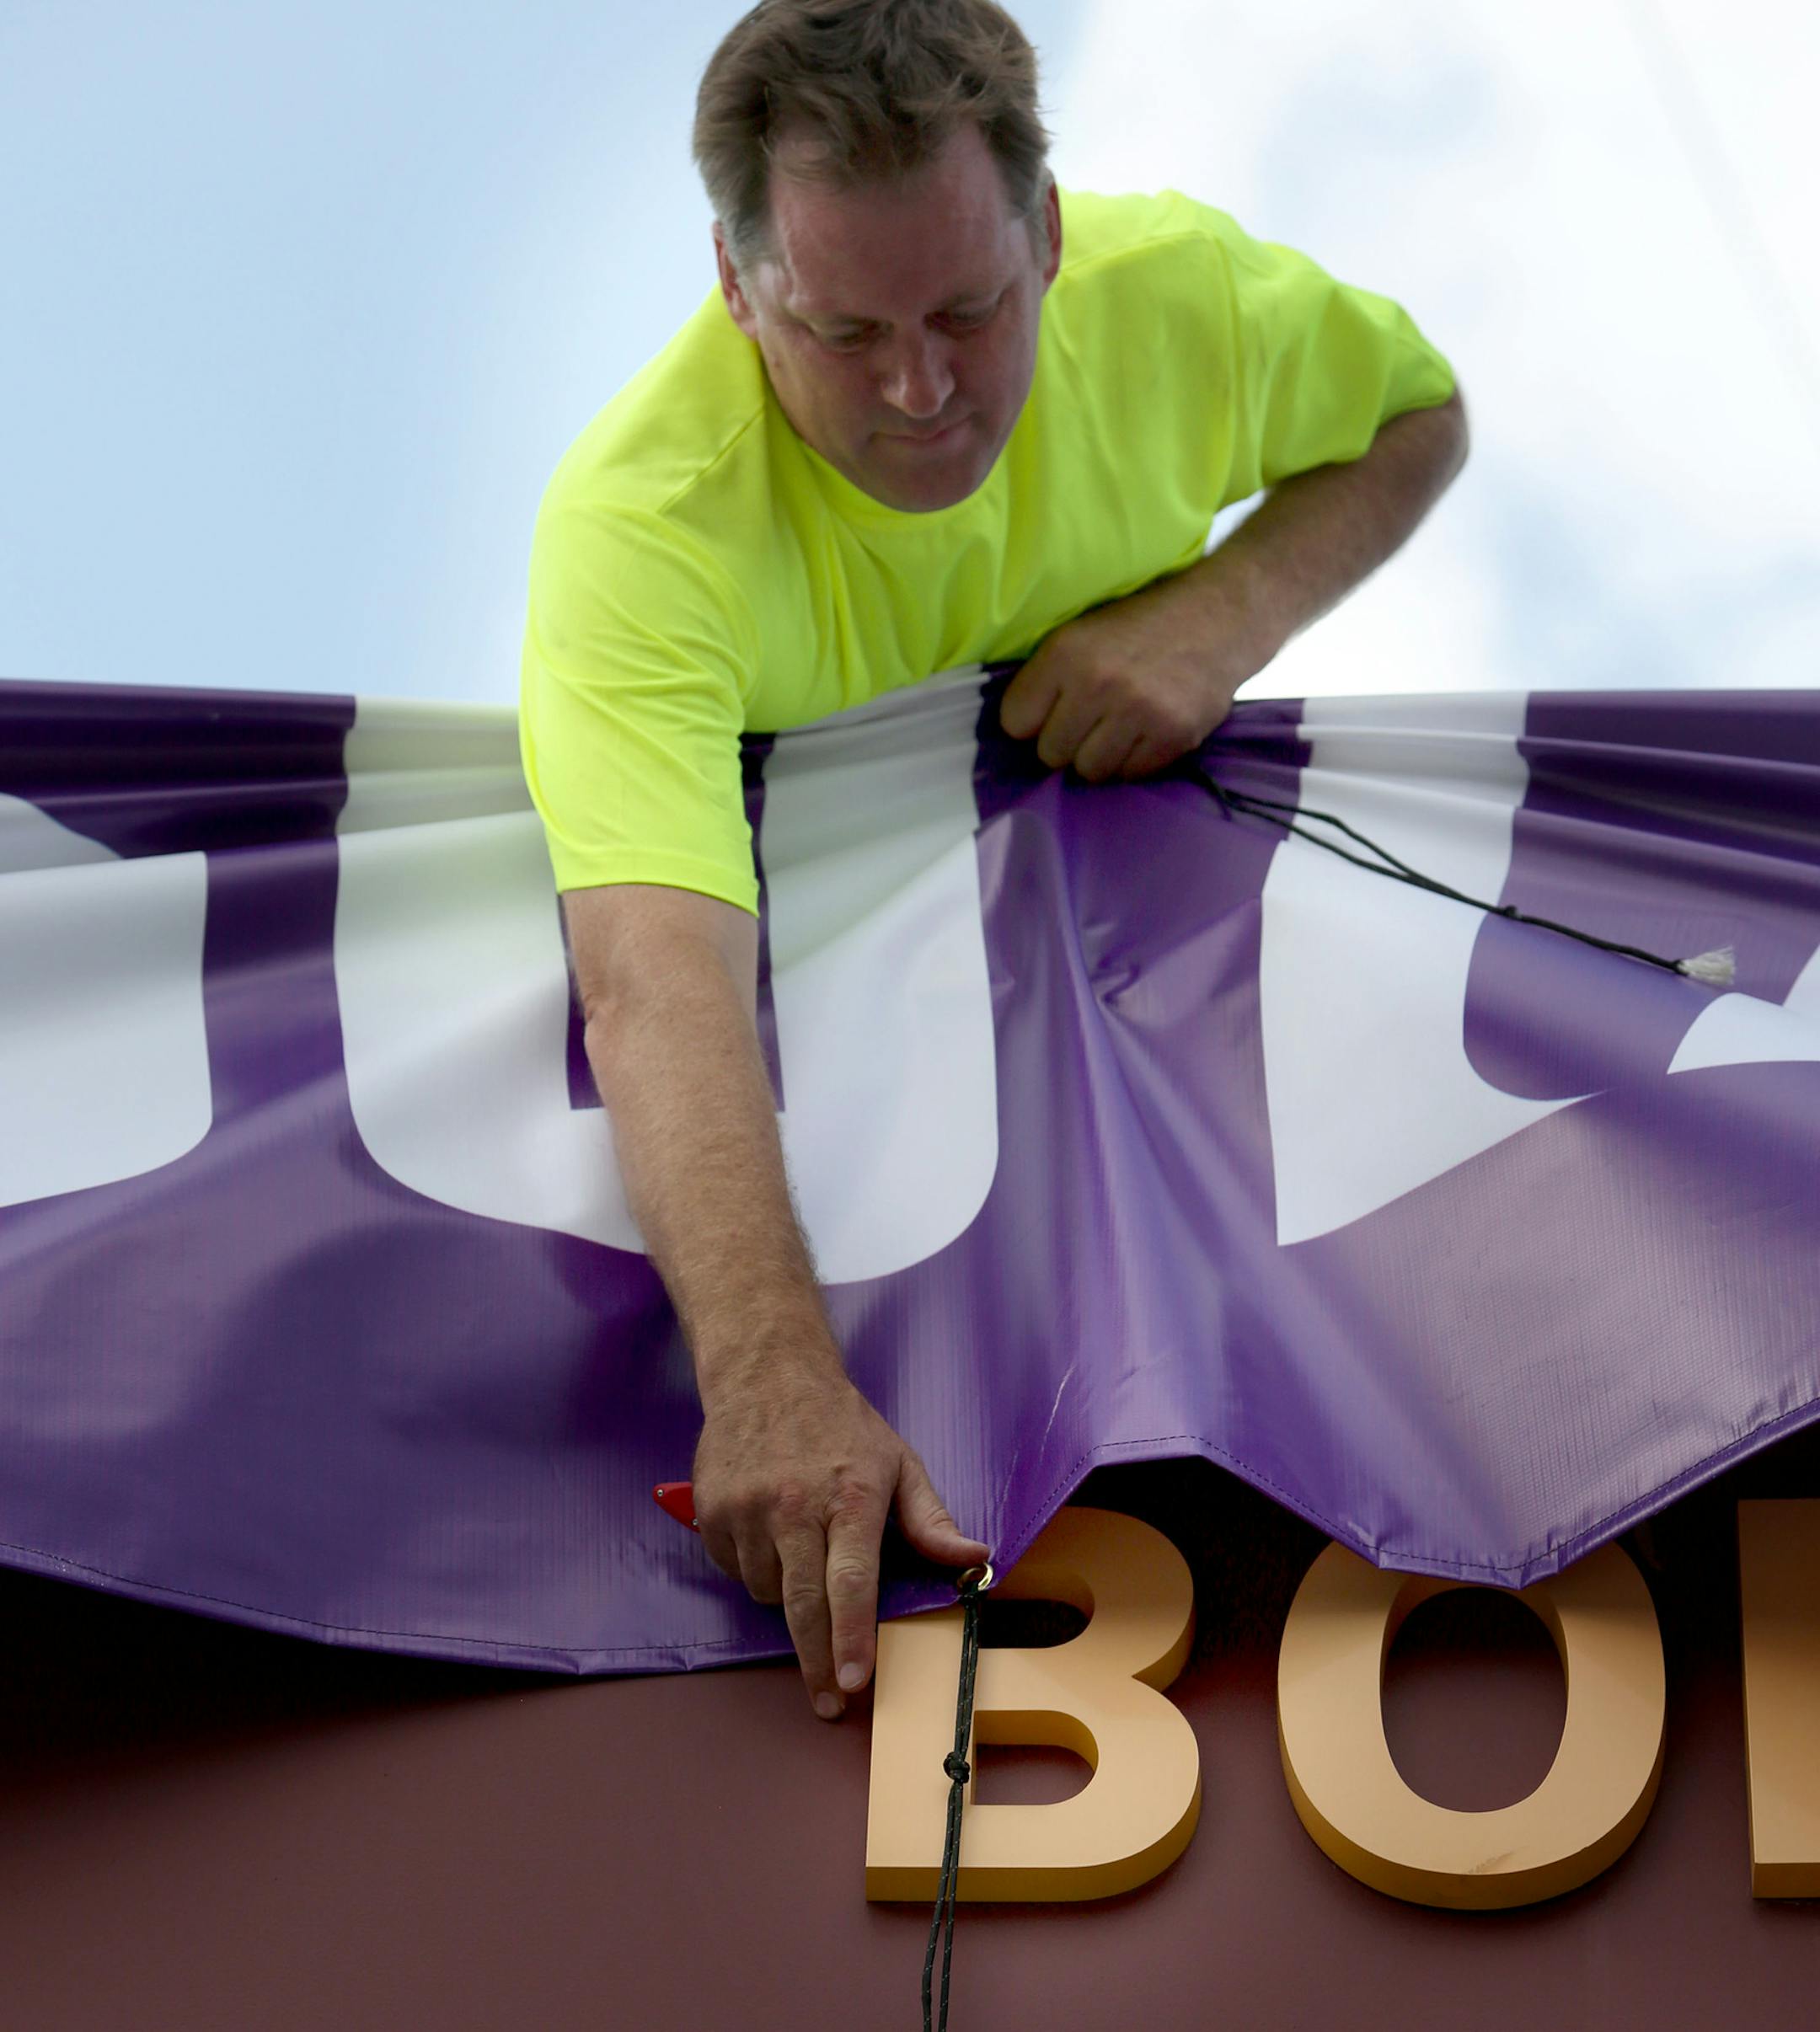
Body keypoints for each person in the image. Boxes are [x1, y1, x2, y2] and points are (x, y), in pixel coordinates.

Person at [518, 0, 1468, 1725]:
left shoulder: (1176, 294)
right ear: (740, 294)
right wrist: (772, 1380)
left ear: (1047, 233)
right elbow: (650, 975)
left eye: (969, 307)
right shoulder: (637, 531)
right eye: (843, 330)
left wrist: (1220, 616)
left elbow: (1415, 419)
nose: (922, 389)